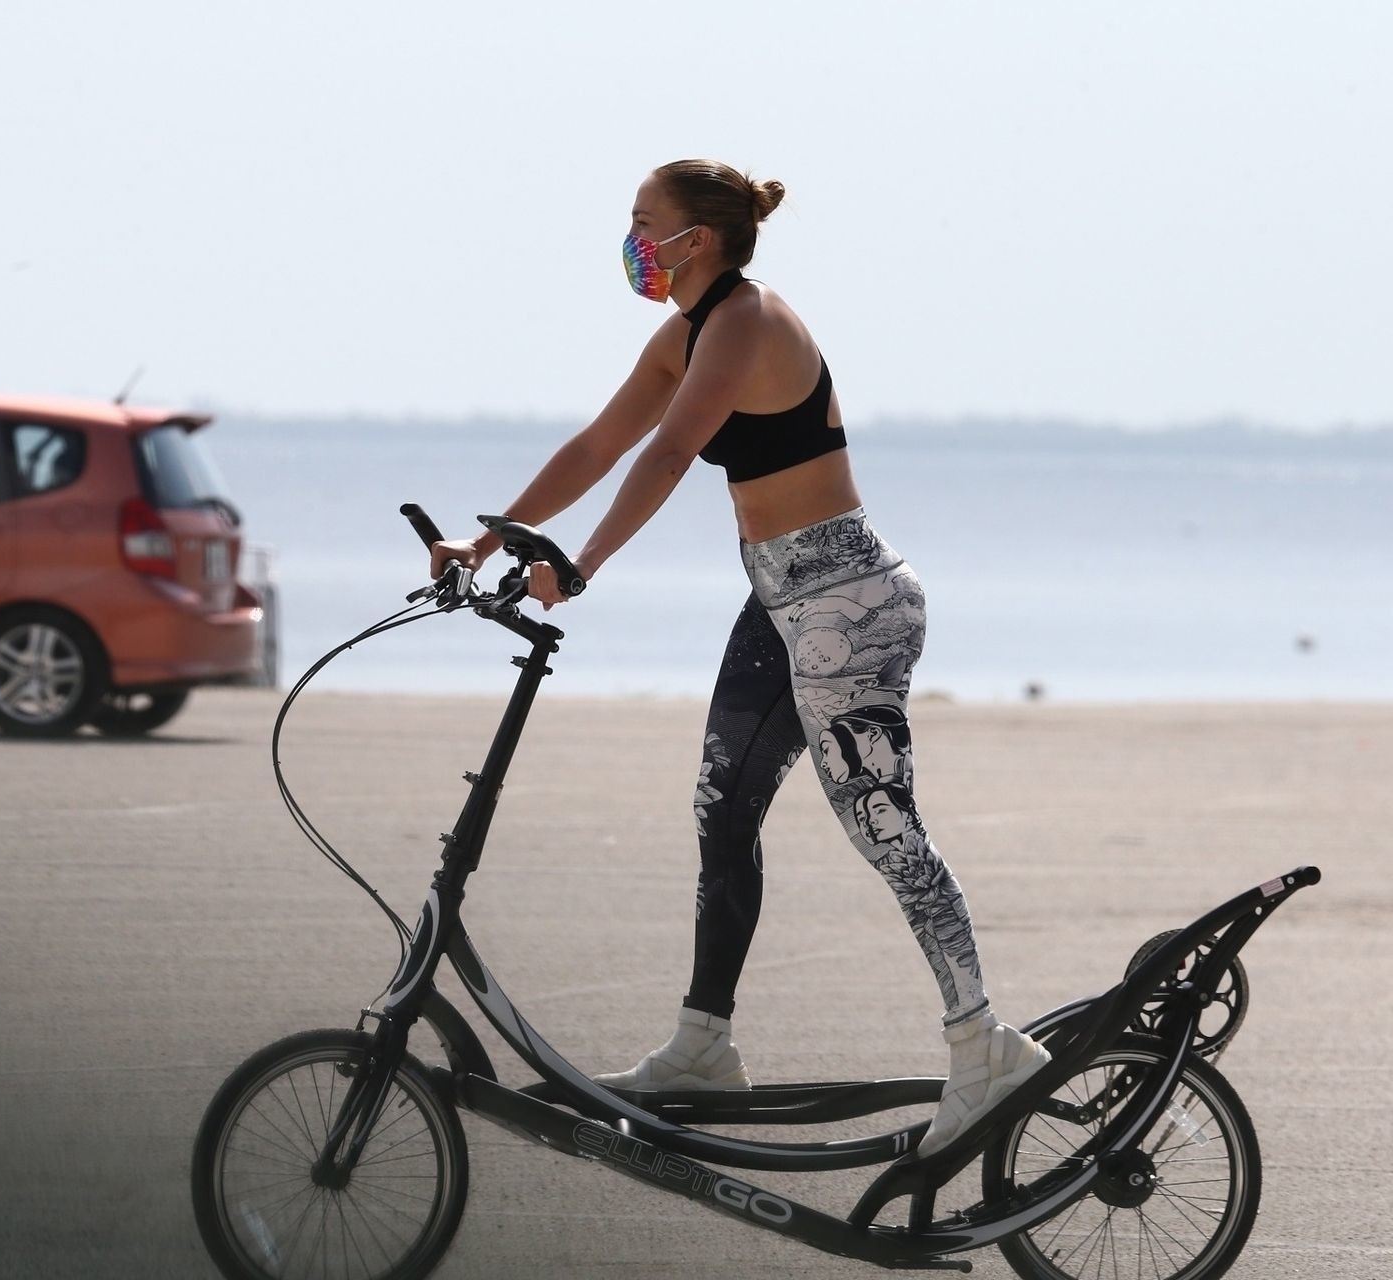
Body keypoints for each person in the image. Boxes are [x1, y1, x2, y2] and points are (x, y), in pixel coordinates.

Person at [428, 158, 1048, 1160]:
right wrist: (487, 539)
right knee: (723, 807)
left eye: (645, 223)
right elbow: (599, 444)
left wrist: (582, 565)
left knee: (885, 828)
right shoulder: (689, 330)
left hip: (851, 603)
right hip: (780, 601)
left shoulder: (748, 322)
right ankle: (703, 1047)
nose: (633, 240)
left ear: (697, 240)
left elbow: (670, 451)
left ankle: (987, 1045)